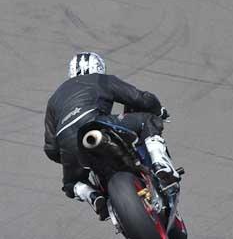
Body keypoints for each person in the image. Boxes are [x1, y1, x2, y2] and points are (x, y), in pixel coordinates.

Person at [44, 52, 180, 221]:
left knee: (71, 184)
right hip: (96, 124)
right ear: (99, 67)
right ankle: (160, 164)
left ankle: (92, 196)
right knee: (147, 121)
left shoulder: (53, 99)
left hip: (68, 143)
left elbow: (50, 148)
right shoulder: (101, 79)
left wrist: (68, 156)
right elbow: (139, 98)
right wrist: (158, 111)